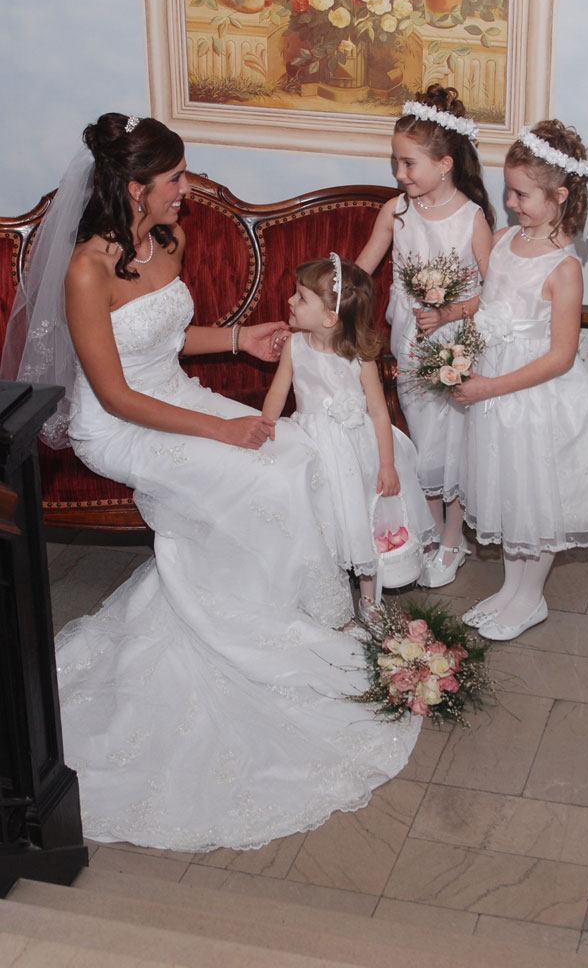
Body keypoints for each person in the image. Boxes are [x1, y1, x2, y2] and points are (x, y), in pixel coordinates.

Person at [1, 112, 420, 852]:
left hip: (178, 399)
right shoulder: (85, 270)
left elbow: (165, 339)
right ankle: (246, 631)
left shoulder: (168, 239)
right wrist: (223, 429)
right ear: (134, 188)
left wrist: (238, 339)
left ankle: (285, 611)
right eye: (173, 179)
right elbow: (117, 392)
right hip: (124, 427)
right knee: (255, 482)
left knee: (294, 461)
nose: (185, 190)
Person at [454, 120, 588, 641]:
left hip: (535, 397)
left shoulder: (564, 267)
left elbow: (560, 356)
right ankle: (512, 589)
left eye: (521, 194)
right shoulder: (507, 239)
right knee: (509, 491)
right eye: (508, 190)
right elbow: (489, 307)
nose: (510, 203)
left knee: (538, 496)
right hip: (495, 389)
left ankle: (531, 596)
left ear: (560, 196)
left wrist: (490, 386)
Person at [356, 86, 494, 589]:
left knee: (455, 441)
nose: (399, 174)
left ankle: (453, 537)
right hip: (410, 344)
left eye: (409, 164)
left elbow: (497, 295)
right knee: (425, 440)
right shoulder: (396, 212)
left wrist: (451, 311)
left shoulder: (471, 220)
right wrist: (329, 293)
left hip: (459, 345)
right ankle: (432, 532)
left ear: (445, 164)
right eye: (395, 162)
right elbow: (364, 267)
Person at [262, 254, 435, 622]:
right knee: (323, 519)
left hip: (358, 451)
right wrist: (265, 426)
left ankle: (370, 598)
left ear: (329, 316)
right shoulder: (295, 347)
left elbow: (378, 412)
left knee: (360, 519)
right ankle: (326, 590)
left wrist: (386, 465)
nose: (291, 301)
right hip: (311, 446)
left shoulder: (360, 357)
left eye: (301, 297)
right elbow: (278, 392)